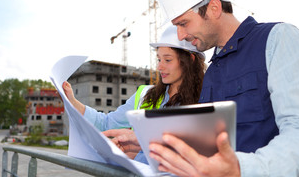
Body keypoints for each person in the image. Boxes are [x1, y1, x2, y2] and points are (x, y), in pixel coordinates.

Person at [148, 0, 299, 177]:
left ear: (214, 8)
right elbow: (208, 143)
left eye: (184, 23)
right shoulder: (212, 73)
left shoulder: (278, 39)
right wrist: (157, 144)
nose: (180, 36)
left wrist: (240, 170)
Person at [62, 24, 205, 163]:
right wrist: (73, 102)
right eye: (159, 59)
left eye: (168, 60)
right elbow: (107, 124)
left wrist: (137, 155)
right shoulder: (145, 95)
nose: (160, 67)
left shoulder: (206, 99)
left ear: (190, 61)